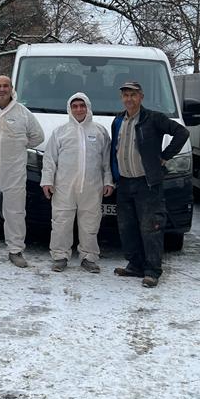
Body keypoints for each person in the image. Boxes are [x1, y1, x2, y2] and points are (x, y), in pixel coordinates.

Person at [110, 80, 190, 288]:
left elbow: (182, 133)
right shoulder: (118, 120)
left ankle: (152, 270)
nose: (129, 99)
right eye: (125, 95)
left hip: (147, 183)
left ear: (141, 97)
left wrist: (164, 156)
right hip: (125, 183)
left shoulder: (153, 118)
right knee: (127, 227)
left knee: (151, 227)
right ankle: (134, 265)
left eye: (133, 95)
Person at [0, 74, 45, 268]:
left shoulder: (22, 113)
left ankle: (15, 251)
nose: (2, 89)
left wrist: (19, 146)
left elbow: (38, 136)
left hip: (14, 172)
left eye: (5, 86)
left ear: (11, 88)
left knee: (15, 212)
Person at [41, 92, 114, 273]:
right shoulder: (60, 132)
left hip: (92, 187)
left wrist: (108, 181)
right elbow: (50, 159)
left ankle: (88, 257)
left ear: (88, 108)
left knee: (90, 223)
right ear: (69, 109)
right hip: (64, 187)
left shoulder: (99, 132)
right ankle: (60, 256)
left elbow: (107, 161)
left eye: (82, 106)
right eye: (75, 106)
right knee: (61, 222)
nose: (79, 109)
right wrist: (47, 181)